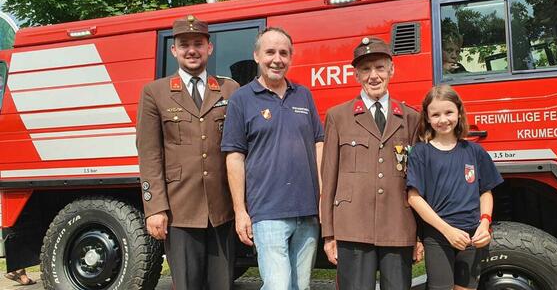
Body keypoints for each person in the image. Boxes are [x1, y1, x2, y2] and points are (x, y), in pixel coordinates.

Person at [136, 15, 239, 290]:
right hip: (180, 209)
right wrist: (155, 208)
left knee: (223, 285)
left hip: (222, 209)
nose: (191, 50)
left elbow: (242, 150)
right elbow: (149, 154)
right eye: (184, 45)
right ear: (174, 50)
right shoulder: (155, 92)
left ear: (209, 48)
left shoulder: (230, 89)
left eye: (198, 43)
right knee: (187, 285)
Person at [221, 27, 324, 290]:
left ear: (291, 57)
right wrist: (240, 211)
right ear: (256, 56)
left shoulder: (303, 95)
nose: (277, 59)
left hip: (308, 210)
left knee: (300, 287)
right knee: (278, 285)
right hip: (267, 212)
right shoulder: (241, 99)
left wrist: (323, 195)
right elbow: (234, 157)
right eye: (270, 52)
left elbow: (318, 143)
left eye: (283, 53)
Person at [320, 37, 423, 290]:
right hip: (352, 226)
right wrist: (329, 234)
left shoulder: (410, 117)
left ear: (391, 70)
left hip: (398, 225)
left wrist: (418, 235)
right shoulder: (338, 116)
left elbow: (418, 183)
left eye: (379, 67)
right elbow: (329, 177)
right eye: (365, 69)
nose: (373, 76)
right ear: (356, 75)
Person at [406, 84, 503, 290]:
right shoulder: (420, 153)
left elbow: (485, 192)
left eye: (449, 112)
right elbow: (413, 198)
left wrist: (484, 224)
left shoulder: (474, 151)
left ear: (459, 112)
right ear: (427, 118)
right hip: (438, 236)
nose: (443, 120)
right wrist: (448, 231)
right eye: (436, 114)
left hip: (472, 237)